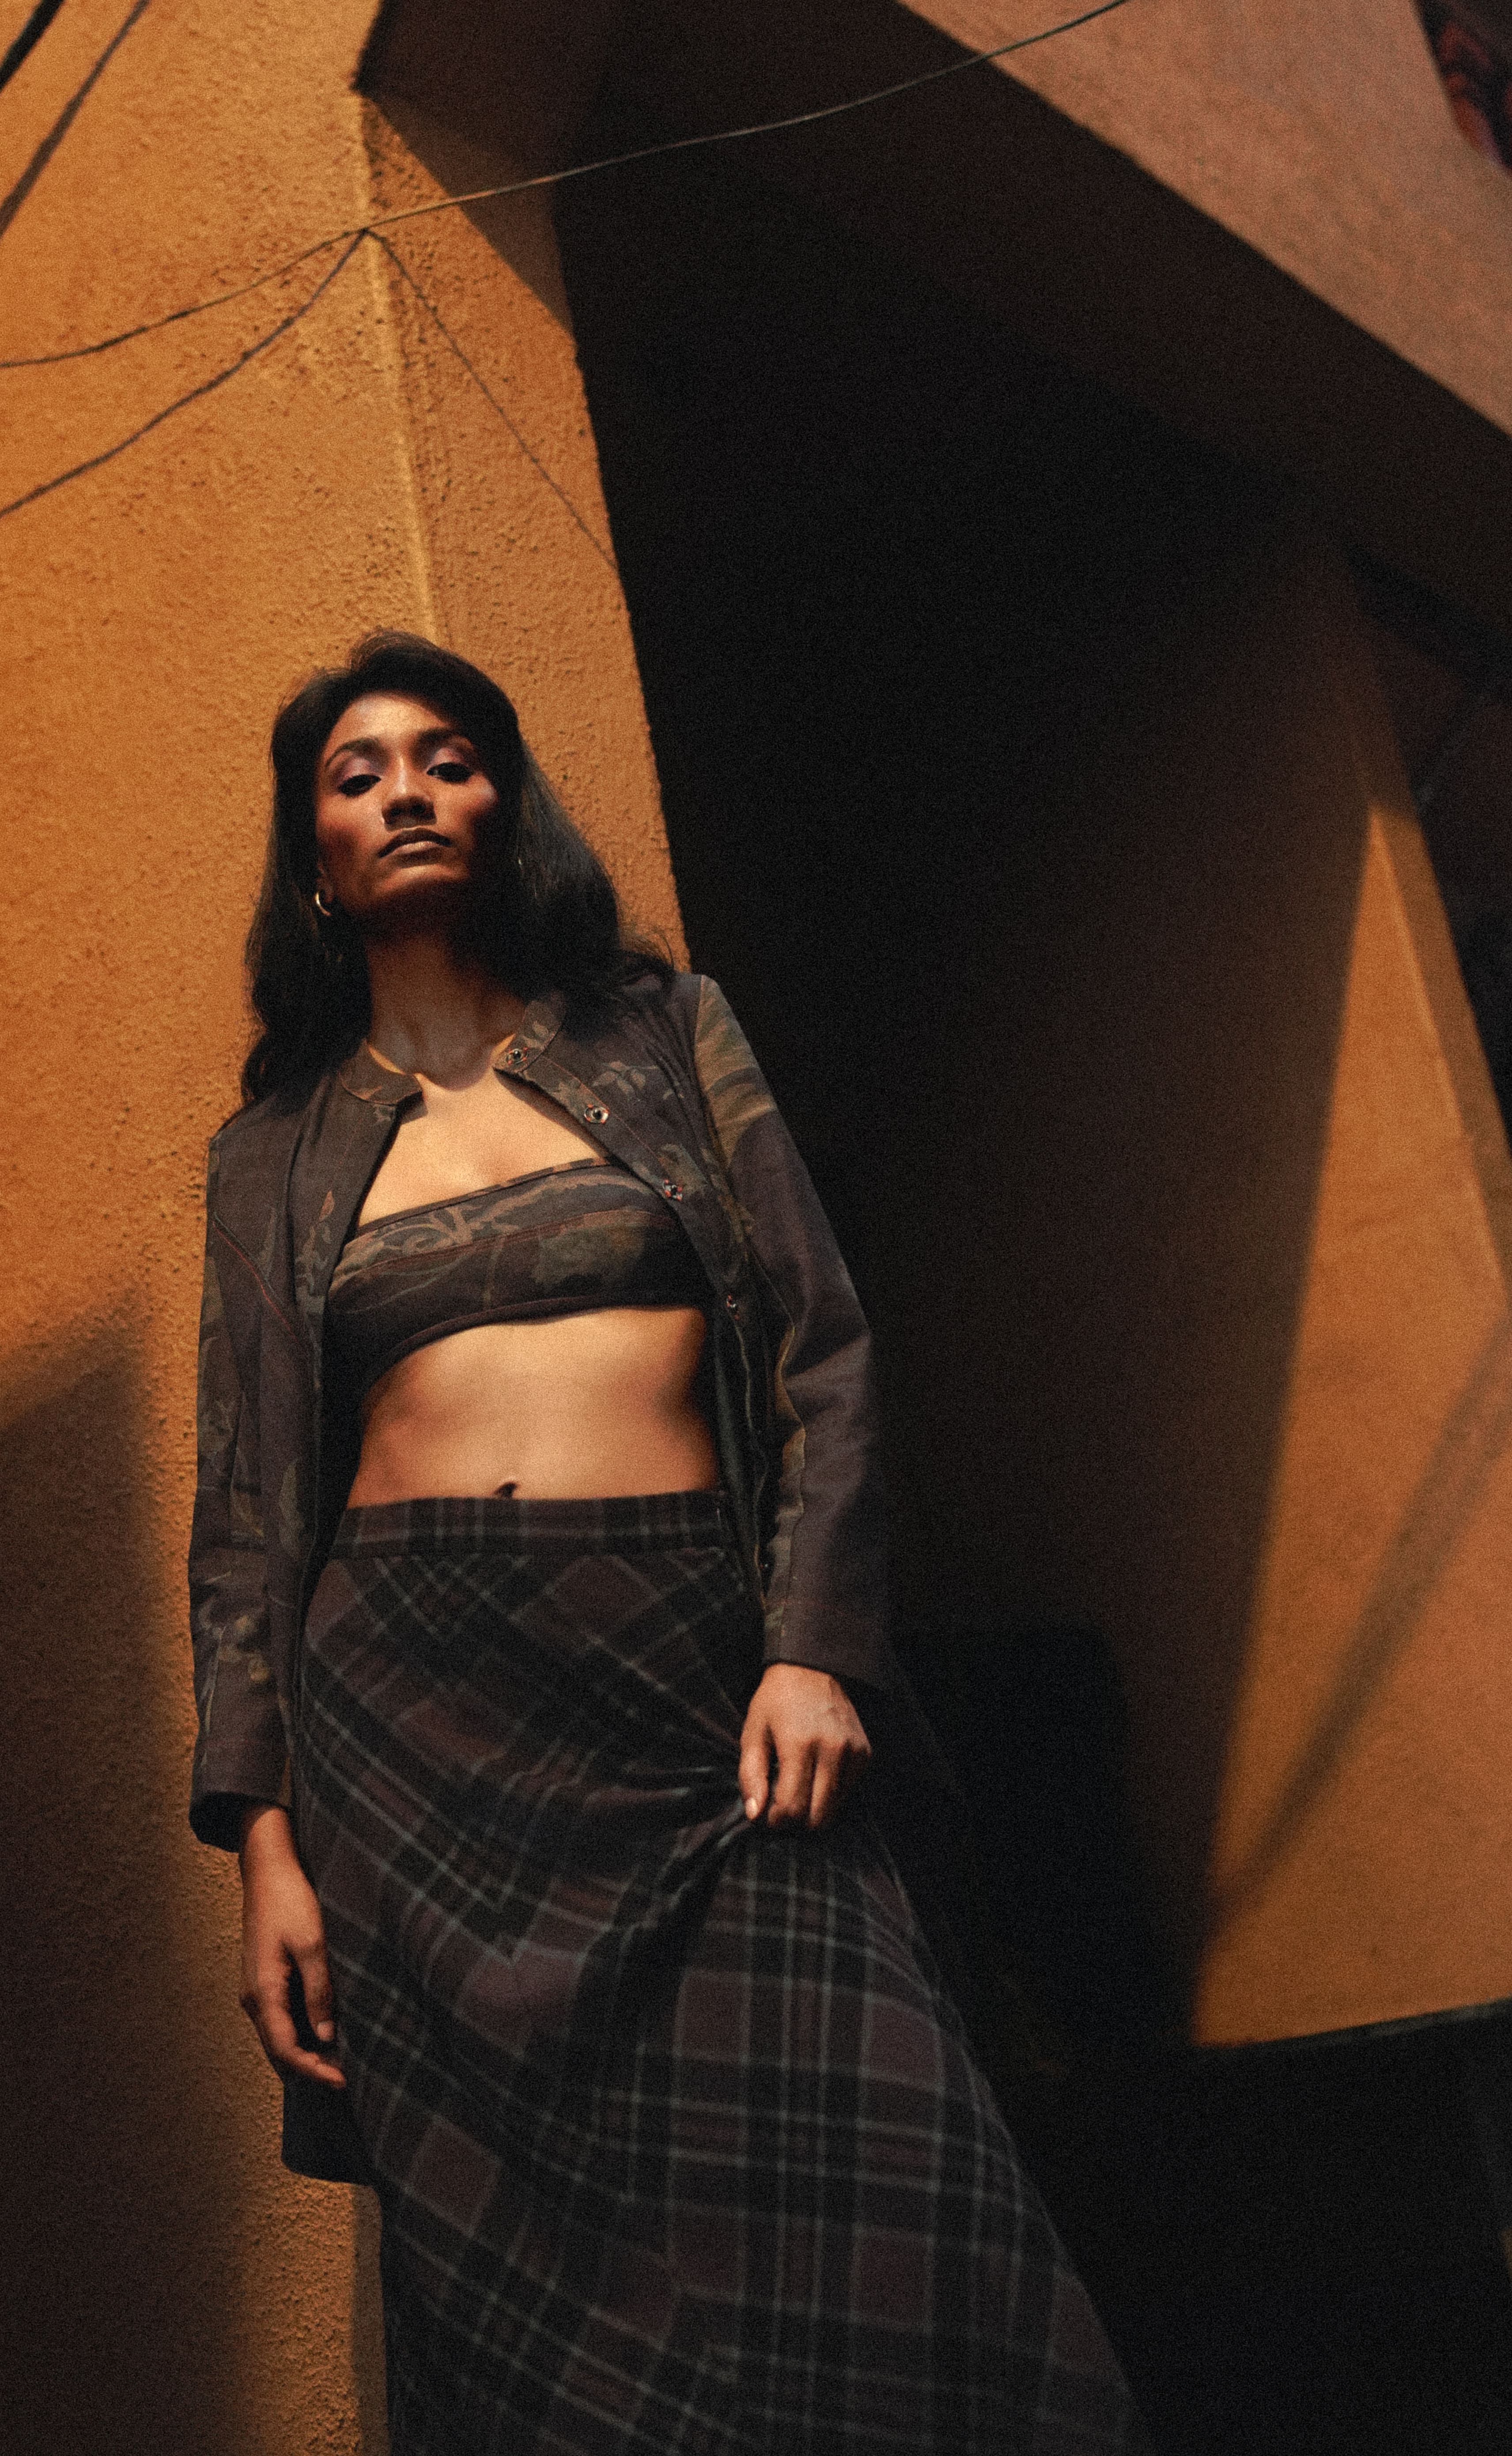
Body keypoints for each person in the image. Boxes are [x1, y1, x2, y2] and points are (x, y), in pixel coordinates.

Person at [187, 632, 1146, 2453]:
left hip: (692, 1686)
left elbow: (824, 1354)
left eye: (448, 757)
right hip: (409, 1748)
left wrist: (810, 1642)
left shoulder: (662, 1035)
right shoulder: (271, 1155)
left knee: (904, 2205)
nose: (406, 789)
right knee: (516, 2287)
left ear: (504, 800)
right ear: (311, 851)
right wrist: (262, 1846)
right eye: (358, 771)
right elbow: (240, 1519)